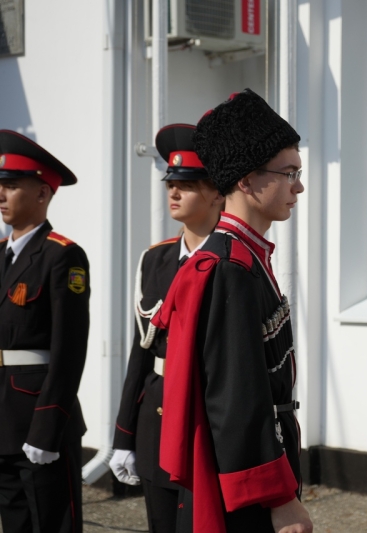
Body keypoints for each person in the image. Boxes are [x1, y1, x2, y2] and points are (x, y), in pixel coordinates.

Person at [151, 89, 312, 533]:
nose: (299, 186)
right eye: (289, 173)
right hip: (246, 481)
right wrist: (278, 498)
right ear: (245, 180)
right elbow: (237, 398)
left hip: (267, 455)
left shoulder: (246, 256)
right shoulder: (230, 267)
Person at [110, 123, 224, 532]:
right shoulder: (155, 259)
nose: (174, 191)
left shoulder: (231, 260)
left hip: (206, 422)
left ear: (217, 191)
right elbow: (141, 352)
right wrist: (123, 435)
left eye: (189, 183)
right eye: (170, 182)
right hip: (156, 419)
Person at [0, 131, 90, 533]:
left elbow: (69, 348)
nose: (1, 195)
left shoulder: (62, 254)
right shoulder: (1, 255)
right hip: (3, 420)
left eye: (11, 186)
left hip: (38, 419)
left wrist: (48, 425)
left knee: (51, 524)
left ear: (42, 193)